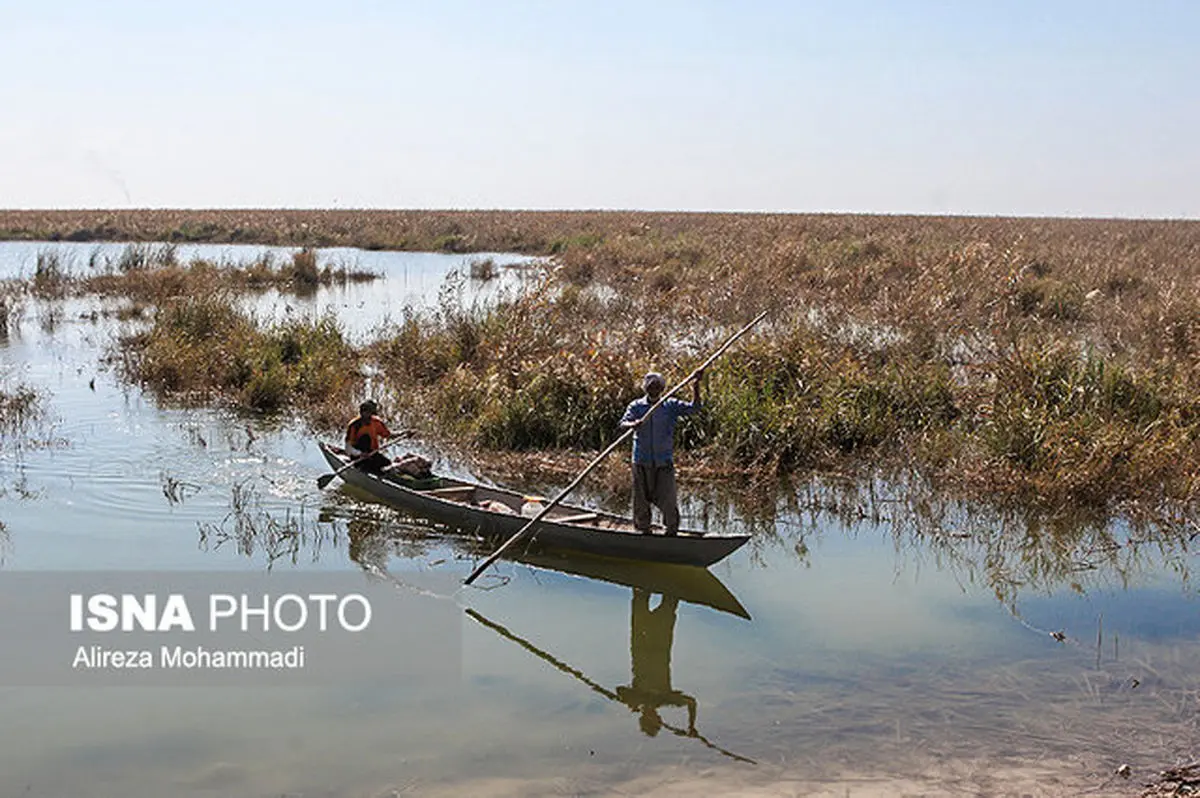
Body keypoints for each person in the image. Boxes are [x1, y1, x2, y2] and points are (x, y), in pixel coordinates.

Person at [618, 370, 702, 536]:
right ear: (646, 388)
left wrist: (696, 386)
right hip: (641, 460)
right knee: (641, 500)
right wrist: (633, 424)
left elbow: (695, 408)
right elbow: (623, 423)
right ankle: (643, 532)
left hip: (663, 462)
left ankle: (671, 532)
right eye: (651, 386)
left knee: (668, 500)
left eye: (657, 386)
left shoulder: (670, 405)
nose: (654, 389)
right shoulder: (637, 406)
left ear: (662, 388)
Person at [344, 400, 430, 478]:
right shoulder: (354, 425)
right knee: (365, 440)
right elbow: (348, 449)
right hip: (359, 459)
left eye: (372, 414)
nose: (370, 416)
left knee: (388, 465)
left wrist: (405, 433)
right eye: (368, 413)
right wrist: (360, 453)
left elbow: (389, 435)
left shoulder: (376, 422)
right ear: (362, 412)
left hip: (373, 454)